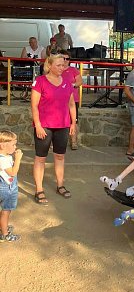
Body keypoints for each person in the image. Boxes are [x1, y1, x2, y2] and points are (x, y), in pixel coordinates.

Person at [31, 54, 76, 205]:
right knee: (40, 158)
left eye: (63, 65)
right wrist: (37, 125)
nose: (62, 68)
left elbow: (71, 104)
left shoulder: (67, 81)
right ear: (49, 66)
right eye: (58, 65)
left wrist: (73, 123)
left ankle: (60, 185)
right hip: (44, 126)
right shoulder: (40, 81)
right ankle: (39, 189)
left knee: (60, 157)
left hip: (62, 125)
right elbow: (34, 106)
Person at [0, 131, 23, 242]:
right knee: (6, 211)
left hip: (8, 186)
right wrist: (18, 159)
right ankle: (5, 234)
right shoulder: (2, 159)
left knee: (5, 210)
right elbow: (13, 173)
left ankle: (3, 226)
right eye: (13, 145)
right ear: (3, 145)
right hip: (7, 189)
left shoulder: (5, 156)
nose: (15, 147)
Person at [61, 50, 82, 150]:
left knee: (73, 121)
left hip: (73, 99)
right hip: (59, 99)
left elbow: (79, 82)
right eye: (63, 58)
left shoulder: (73, 70)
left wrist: (71, 85)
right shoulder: (57, 69)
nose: (65, 61)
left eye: (67, 59)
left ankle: (74, 142)